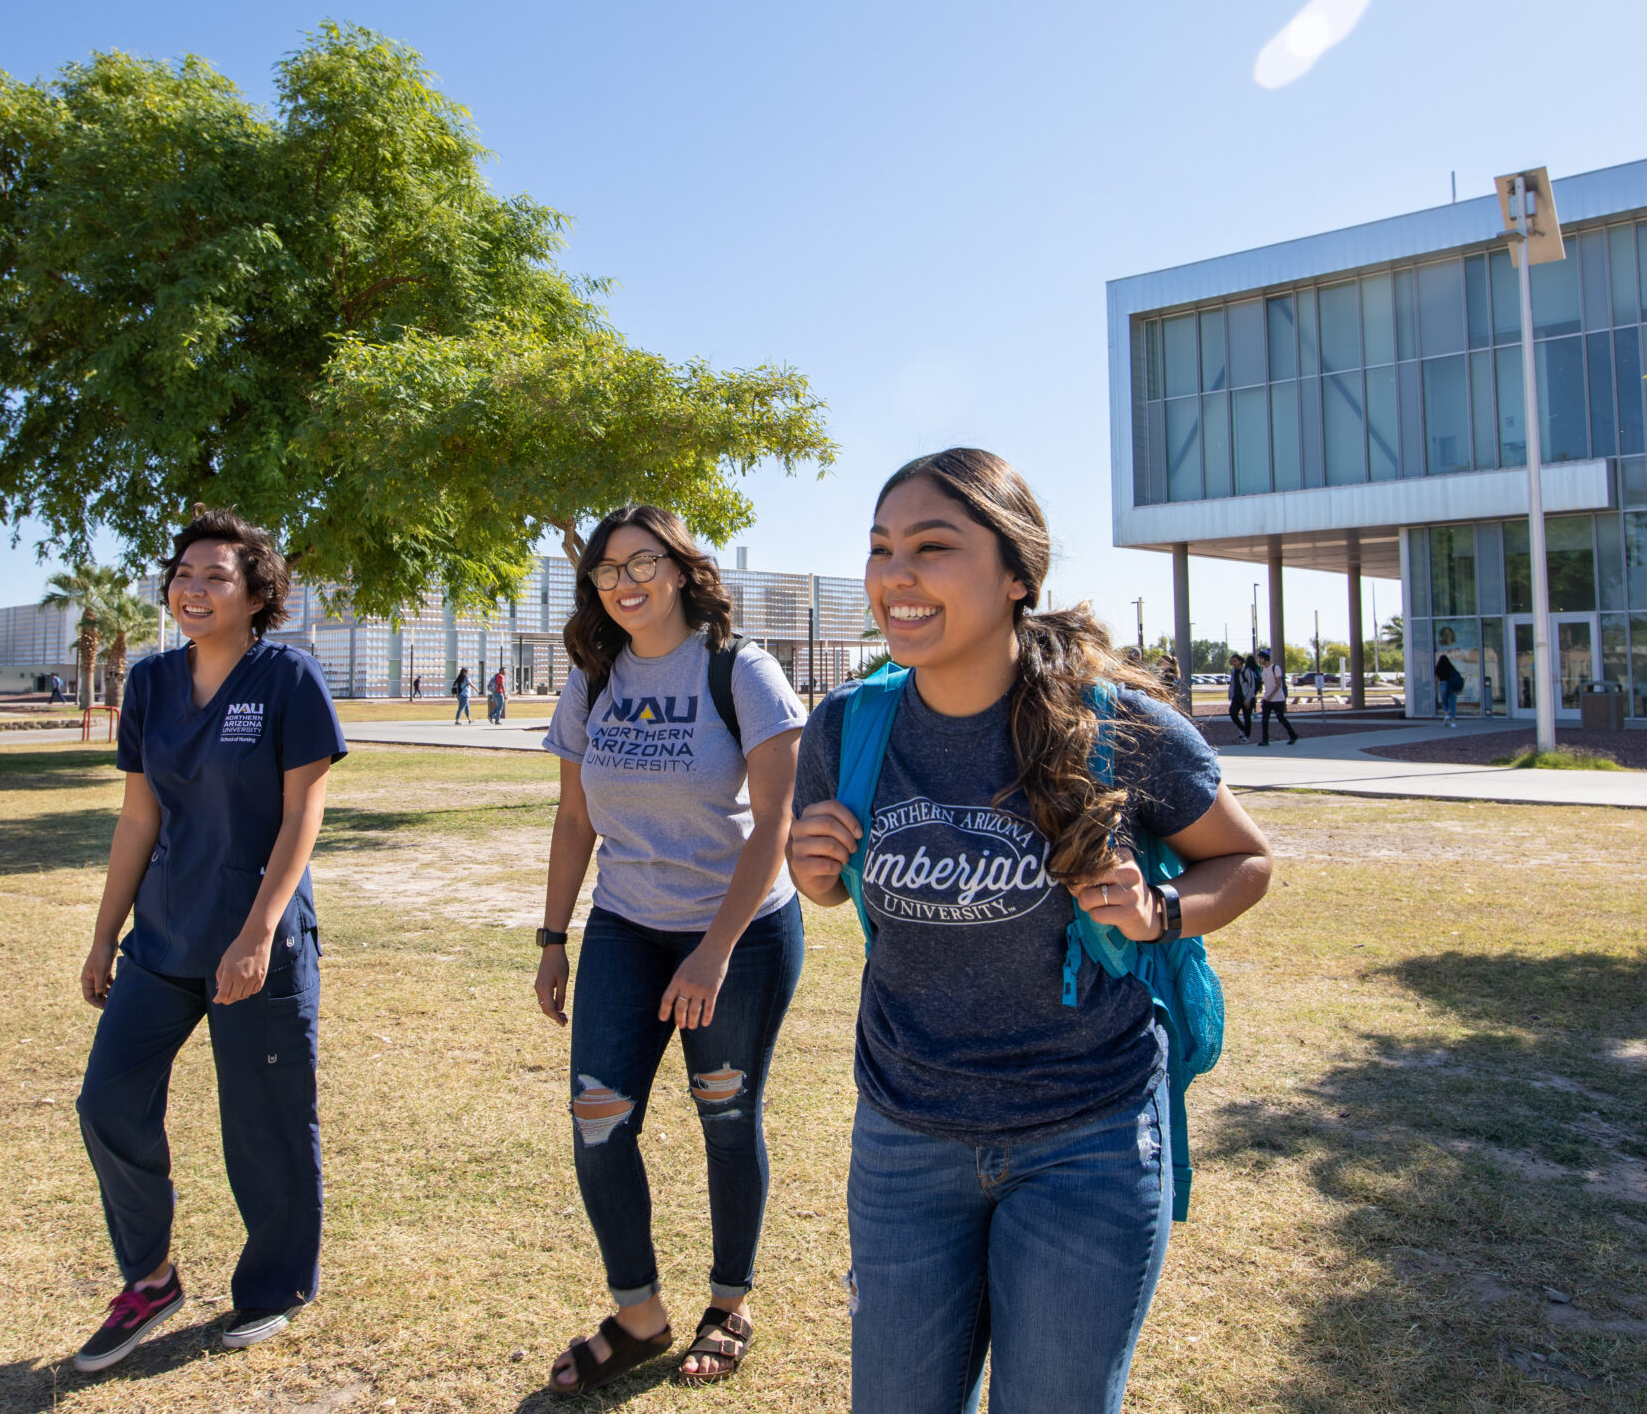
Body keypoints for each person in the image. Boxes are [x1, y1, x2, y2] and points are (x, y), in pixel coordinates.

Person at [785, 449, 1271, 1414]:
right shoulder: (844, 727)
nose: (896, 576)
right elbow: (845, 893)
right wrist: (817, 878)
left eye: (932, 547)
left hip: (1086, 1137)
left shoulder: (1118, 724)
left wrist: (1159, 910)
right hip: (905, 1133)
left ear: (1016, 575)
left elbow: (1246, 861)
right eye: (881, 549)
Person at [534, 504, 808, 1395]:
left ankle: (730, 1302)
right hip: (626, 922)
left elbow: (777, 822)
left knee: (725, 1112)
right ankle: (640, 1313)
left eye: (642, 562)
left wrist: (714, 951)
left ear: (683, 570)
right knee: (597, 1118)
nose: (623, 581)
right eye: (606, 570)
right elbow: (575, 818)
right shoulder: (594, 675)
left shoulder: (742, 670)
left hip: (740, 928)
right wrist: (552, 937)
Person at [69, 507, 348, 1373]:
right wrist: (103, 934)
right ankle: (149, 1279)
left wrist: (259, 930)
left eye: (215, 575)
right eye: (182, 573)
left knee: (262, 1122)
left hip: (257, 941)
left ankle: (274, 1286)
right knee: (107, 1101)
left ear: (256, 591)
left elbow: (304, 812)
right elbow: (138, 815)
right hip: (164, 935)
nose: (192, 588)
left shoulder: (287, 679)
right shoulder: (150, 683)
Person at [1257, 648, 1299, 746]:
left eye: (1261, 658)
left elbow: (1278, 683)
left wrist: (1271, 696)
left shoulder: (1275, 668)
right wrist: (1266, 697)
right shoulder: (1264, 669)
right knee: (1264, 719)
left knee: (1281, 718)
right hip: (1267, 698)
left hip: (1277, 698)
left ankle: (1293, 735)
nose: (1259, 660)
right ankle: (1265, 740)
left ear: (1266, 658)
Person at [1223, 654, 1255, 743]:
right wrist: (1230, 694)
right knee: (1233, 713)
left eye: (1235, 661)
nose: (1233, 663)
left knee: (1247, 717)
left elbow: (1252, 686)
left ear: (1240, 661)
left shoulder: (1247, 671)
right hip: (1236, 697)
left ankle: (1247, 736)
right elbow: (1232, 684)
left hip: (1246, 697)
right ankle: (1242, 728)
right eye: (1232, 661)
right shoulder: (1233, 671)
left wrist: (1248, 699)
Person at [1433, 650, 1464, 726]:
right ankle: (1453, 721)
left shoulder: (1438, 669)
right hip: (1452, 686)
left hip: (1443, 684)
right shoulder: (1451, 668)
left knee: (1444, 701)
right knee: (1452, 703)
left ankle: (1446, 714)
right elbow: (1457, 678)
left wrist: (1435, 692)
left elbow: (1436, 681)